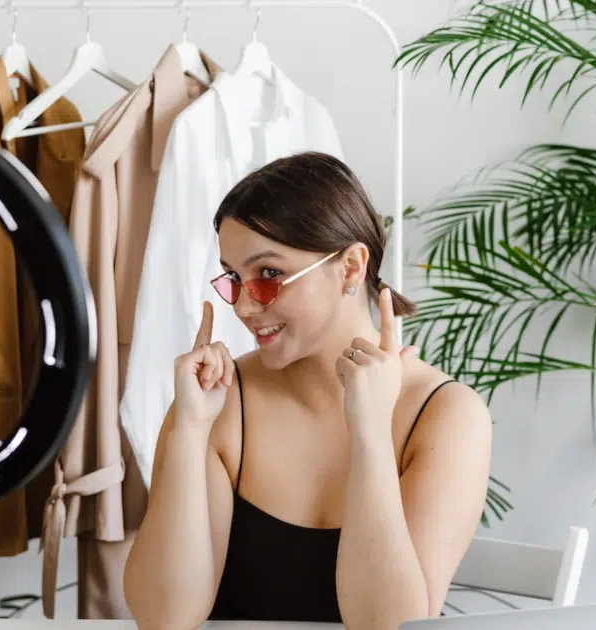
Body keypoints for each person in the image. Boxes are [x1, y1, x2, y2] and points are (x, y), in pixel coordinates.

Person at [122, 152, 493, 629]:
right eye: (235, 279)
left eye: (269, 275)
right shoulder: (219, 404)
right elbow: (164, 617)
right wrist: (189, 432)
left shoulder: (447, 416)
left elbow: (388, 626)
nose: (245, 308)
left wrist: (371, 434)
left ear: (351, 267)